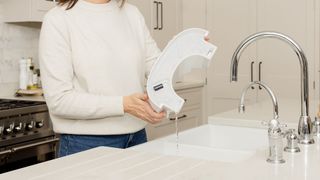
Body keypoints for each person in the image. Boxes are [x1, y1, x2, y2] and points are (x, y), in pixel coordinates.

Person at [39, 0, 166, 157]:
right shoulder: (58, 19)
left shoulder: (132, 14)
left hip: (137, 138)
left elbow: (158, 69)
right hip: (85, 144)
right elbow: (59, 100)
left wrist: (186, 50)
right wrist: (124, 105)